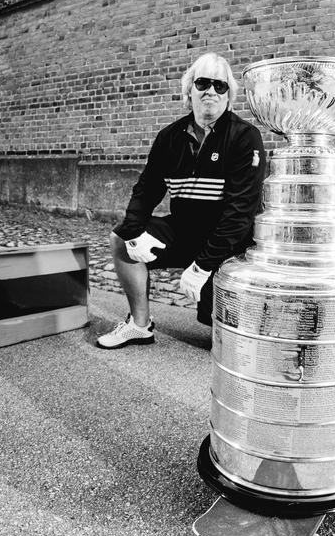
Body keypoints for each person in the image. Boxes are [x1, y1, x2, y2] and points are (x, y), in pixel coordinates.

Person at [97, 53, 266, 348]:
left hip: (229, 242)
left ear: (229, 95)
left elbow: (241, 214)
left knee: (225, 341)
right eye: (202, 82)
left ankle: (232, 315)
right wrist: (135, 231)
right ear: (189, 89)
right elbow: (147, 188)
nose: (211, 91)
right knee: (120, 239)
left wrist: (202, 267)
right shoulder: (170, 137)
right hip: (184, 230)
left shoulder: (245, 137)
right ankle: (140, 325)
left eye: (220, 85)